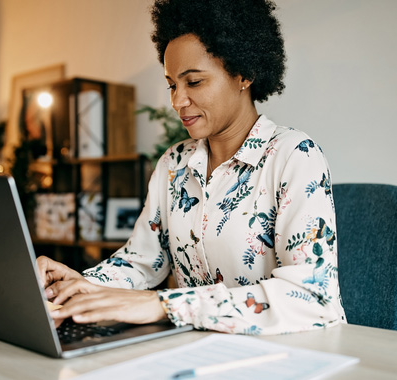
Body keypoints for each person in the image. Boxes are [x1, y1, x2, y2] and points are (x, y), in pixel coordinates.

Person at [38, 0, 346, 335]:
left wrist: (163, 305)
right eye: (172, 84)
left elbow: (313, 298)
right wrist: (75, 285)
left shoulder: (294, 156)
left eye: (194, 82)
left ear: (244, 74)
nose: (177, 101)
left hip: (294, 352)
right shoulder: (174, 163)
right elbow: (142, 262)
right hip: (205, 351)